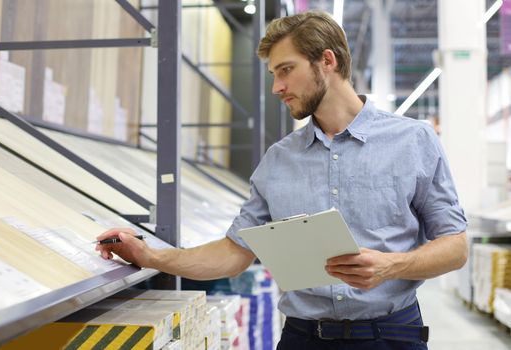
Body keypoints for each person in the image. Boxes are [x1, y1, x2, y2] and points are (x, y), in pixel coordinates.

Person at [96, 11, 467, 350]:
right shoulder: (278, 159)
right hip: (302, 338)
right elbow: (234, 253)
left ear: (327, 61)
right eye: (274, 74)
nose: (276, 86)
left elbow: (455, 246)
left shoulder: (413, 140)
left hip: (390, 336)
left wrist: (391, 266)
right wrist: (151, 256)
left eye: (285, 70)